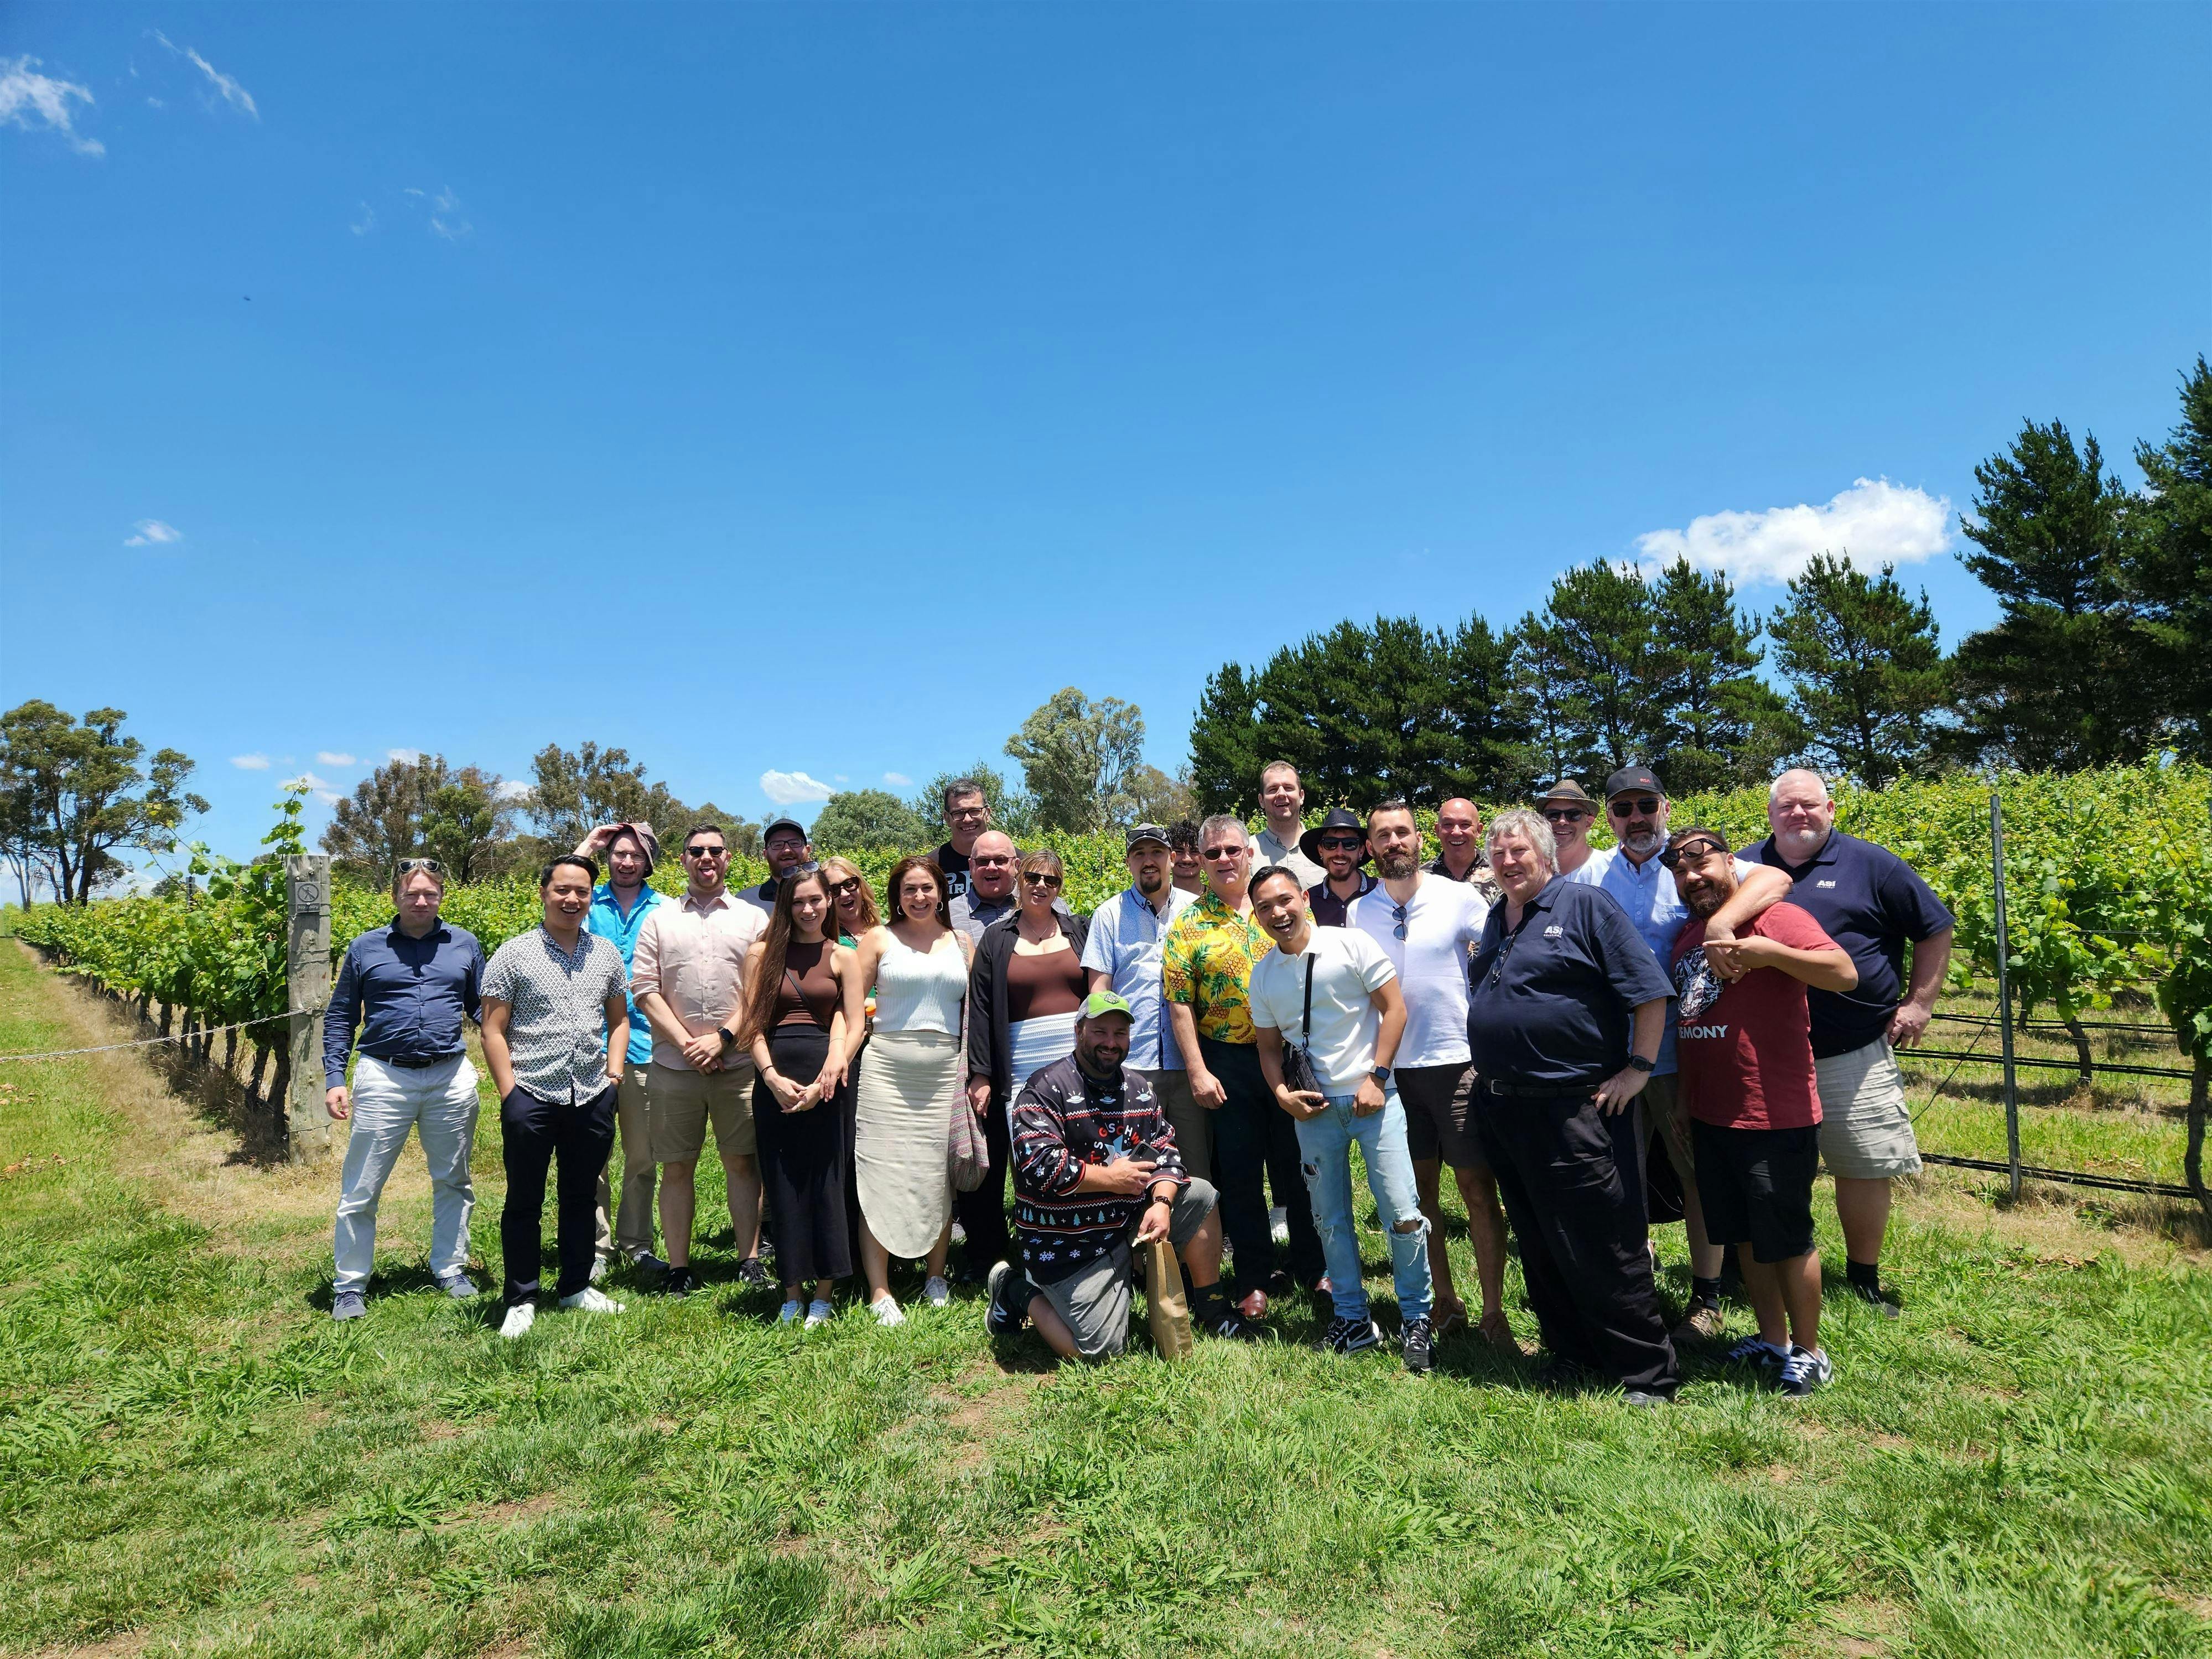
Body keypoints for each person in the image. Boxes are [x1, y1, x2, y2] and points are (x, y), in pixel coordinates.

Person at [1564, 766, 1792, 1343]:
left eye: (1645, 805)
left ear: (1664, 806)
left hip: (1680, 1054)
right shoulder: (1589, 873)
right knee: (1618, 1177)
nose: (1635, 818)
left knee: (1696, 1177)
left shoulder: (1691, 864)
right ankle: (1630, 1289)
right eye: (1622, 809)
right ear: (1609, 818)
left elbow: (1773, 878)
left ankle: (1705, 1297)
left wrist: (1720, 919)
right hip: (1608, 1057)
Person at [1466, 810, 1678, 1403]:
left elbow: (1650, 991)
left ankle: (1646, 1372)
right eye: (1499, 853)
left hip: (1572, 1108)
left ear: (1546, 854)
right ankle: (1572, 1353)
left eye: (1519, 851)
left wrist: (1637, 1069)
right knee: (1538, 1238)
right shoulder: (1497, 917)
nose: (1509, 862)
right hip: (1507, 1107)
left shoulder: (1585, 907)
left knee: (1602, 1240)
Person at [1742, 769, 1954, 1316]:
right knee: (1762, 1171)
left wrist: (1919, 1002)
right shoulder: (1742, 867)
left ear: (1831, 808)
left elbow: (1933, 926)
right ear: (1768, 814)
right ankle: (1759, 1268)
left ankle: (1863, 1278)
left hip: (1850, 1049)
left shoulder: (1870, 863)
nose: (1798, 814)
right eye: (1786, 806)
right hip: (1764, 1055)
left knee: (1861, 1164)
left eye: (1809, 805)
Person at [1667, 828, 1859, 1396]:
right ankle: (1771, 1338)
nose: (1692, 878)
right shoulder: (1686, 940)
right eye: (1680, 872)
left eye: (1702, 865)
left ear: (1733, 863)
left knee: (1787, 1236)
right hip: (1711, 1113)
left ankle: (1809, 1350)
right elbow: (1689, 1023)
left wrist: (1768, 954)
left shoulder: (1774, 919)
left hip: (1772, 1110)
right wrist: (1683, 1098)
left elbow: (1844, 972)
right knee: (1743, 1237)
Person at [988, 993, 1260, 1356]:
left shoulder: (1139, 1088)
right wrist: (1110, 1178)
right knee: (1097, 1349)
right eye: (1100, 1031)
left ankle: (1212, 1309)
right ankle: (1014, 1288)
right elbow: (1040, 1167)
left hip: (1125, 1221)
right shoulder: (1044, 1089)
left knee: (1201, 1194)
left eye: (1120, 1033)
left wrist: (1162, 1202)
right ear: (1078, 1031)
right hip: (1068, 1243)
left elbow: (1168, 1154)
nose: (1111, 1042)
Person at [1248, 867, 1435, 1372]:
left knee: (1402, 1212)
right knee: (1329, 1220)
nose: (1277, 913)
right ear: (1257, 915)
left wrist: (1377, 1076)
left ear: (1304, 897)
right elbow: (1268, 1049)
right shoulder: (1263, 974)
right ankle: (1353, 1318)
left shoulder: (1351, 945)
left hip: (1374, 1099)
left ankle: (1418, 1318)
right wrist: (1283, 1095)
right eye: (1265, 907)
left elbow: (1394, 1010)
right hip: (1314, 1110)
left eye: (1284, 900)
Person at [1351, 801, 1512, 1347]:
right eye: (1382, 835)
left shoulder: (1458, 897)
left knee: (1474, 1186)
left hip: (1456, 1061)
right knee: (1418, 1196)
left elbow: (1501, 950)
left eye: (1402, 832)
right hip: (1395, 1072)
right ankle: (1444, 1300)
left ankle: (1494, 1312)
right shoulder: (1358, 913)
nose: (1393, 842)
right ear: (1369, 847)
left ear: (1419, 840)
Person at [1162, 815, 1325, 1317]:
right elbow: (1180, 1002)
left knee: (1300, 1166)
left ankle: (1314, 1266)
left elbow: (1316, 969)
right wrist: (1196, 1069)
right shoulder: (1188, 924)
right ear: (1201, 863)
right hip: (1227, 1061)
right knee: (1240, 1172)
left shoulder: (1276, 908)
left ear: (1248, 852)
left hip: (1291, 1054)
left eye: (1232, 850)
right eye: (1213, 854)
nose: (1224, 860)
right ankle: (1253, 1276)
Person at [324, 859, 487, 1320]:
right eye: (412, 894)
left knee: (454, 1179)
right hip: (384, 1074)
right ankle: (350, 1285)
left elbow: (482, 1009)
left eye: (429, 894)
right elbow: (340, 1017)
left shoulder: (465, 944)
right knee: (362, 1186)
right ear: (395, 897)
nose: (421, 901)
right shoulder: (364, 948)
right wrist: (335, 1078)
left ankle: (450, 1268)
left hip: (450, 1076)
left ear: (440, 897)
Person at [480, 855, 633, 1339]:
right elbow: (492, 1029)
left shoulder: (605, 953)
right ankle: (522, 1297)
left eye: (582, 891)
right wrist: (511, 1094)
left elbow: (619, 1020)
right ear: (544, 893)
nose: (572, 899)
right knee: (524, 1199)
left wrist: (612, 1078)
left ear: (592, 897)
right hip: (531, 1092)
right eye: (562, 890)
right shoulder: (513, 954)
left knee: (581, 1195)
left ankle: (574, 1286)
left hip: (591, 1093)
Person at [629, 823, 768, 1298]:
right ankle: (679, 1266)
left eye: (715, 850)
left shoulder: (752, 920)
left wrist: (724, 1039)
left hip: (739, 1066)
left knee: (742, 1163)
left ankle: (749, 1259)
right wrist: (690, 1043)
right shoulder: (660, 920)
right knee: (677, 1166)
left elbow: (761, 989)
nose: (706, 858)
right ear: (683, 860)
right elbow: (645, 989)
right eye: (696, 851)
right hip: (673, 1066)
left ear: (729, 858)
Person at [736, 866, 866, 1326]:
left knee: (827, 1182)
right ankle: (792, 1291)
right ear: (785, 907)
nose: (809, 909)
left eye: (816, 900)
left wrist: (836, 1066)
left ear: (828, 902)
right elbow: (752, 1023)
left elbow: (856, 1022)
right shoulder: (761, 955)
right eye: (798, 902)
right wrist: (770, 1076)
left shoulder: (842, 956)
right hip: (776, 1079)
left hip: (829, 1083)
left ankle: (826, 1291)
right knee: (783, 1181)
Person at [847, 857, 973, 1323]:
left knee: (936, 1175)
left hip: (944, 1072)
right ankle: (880, 1291)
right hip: (887, 1069)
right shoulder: (878, 939)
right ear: (896, 896)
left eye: (926, 888)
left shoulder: (961, 942)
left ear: (940, 891)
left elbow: (971, 1014)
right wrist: (838, 1061)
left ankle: (935, 1276)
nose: (918, 897)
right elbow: (853, 1011)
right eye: (908, 890)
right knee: (879, 1173)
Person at [963, 849, 1089, 1278]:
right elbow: (980, 1010)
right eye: (1033, 877)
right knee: (1033, 1156)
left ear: (1060, 887)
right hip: (1021, 1066)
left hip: (1077, 1062)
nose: (1041, 886)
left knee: (1081, 1147)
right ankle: (1037, 1249)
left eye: (1051, 881)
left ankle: (1086, 1239)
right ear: (1020, 878)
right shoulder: (997, 939)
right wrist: (981, 1073)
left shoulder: (1080, 932)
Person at [1082, 825, 1203, 1177]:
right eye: (1139, 854)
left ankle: (1201, 1231)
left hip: (1190, 1062)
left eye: (1156, 853)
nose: (1148, 861)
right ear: (1128, 862)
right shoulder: (1109, 914)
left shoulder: (1196, 911)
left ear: (1172, 858)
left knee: (1195, 1164)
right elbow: (1099, 990)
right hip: (1134, 1064)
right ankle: (1141, 1232)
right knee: (1137, 1166)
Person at [574, 822, 665, 1279]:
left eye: (635, 855)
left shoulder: (666, 909)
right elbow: (562, 887)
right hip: (590, 1043)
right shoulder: (586, 901)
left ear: (649, 861)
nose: (626, 862)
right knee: (591, 1154)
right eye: (617, 854)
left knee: (642, 1153)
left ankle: (637, 1243)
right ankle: (595, 1247)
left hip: (647, 1043)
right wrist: (587, 845)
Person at [1252, 761, 1325, 892]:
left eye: (1288, 788)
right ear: (1261, 800)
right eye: (1273, 789)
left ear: (1301, 796)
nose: (1281, 794)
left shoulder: (1325, 847)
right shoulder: (1246, 852)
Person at [1299, 807, 1376, 928]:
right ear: (1321, 851)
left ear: (1361, 850)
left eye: (1350, 844)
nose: (1340, 852)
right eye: (1330, 844)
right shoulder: (1308, 903)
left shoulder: (1382, 892)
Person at [1430, 797, 1503, 904]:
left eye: (1465, 825)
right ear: (1437, 830)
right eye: (1448, 824)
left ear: (1479, 830)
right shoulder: (1421, 878)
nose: (1456, 832)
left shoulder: (1501, 871)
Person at [933, 779, 993, 904]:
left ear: (987, 814)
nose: (967, 819)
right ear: (947, 818)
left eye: (975, 811)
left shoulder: (1015, 862)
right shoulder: (930, 866)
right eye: (958, 813)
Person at [740, 817, 814, 914]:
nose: (787, 850)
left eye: (795, 843)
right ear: (765, 854)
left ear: (808, 850)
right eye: (777, 845)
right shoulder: (746, 902)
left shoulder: (829, 895)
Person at [1533, 781, 1599, 878]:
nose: (1562, 821)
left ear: (1588, 823)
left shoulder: (1608, 870)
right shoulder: (1530, 870)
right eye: (1553, 814)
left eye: (1573, 814)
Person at [1167, 819, 1205, 895]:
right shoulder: (1156, 901)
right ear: (1170, 856)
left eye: (1194, 851)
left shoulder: (1219, 900)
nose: (1187, 859)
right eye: (1179, 851)